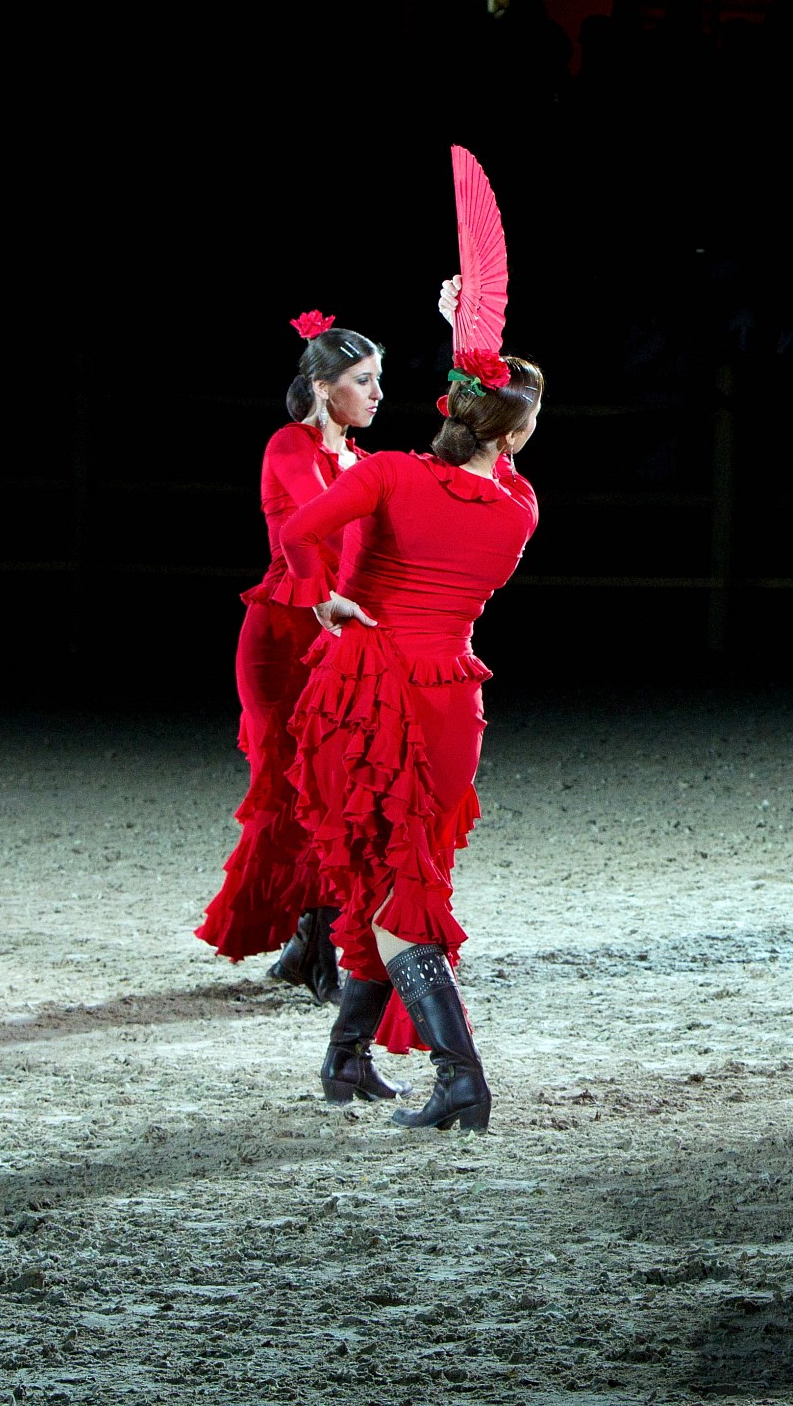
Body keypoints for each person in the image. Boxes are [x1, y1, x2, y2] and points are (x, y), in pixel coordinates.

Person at [274, 278, 541, 1131]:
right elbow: (499, 441)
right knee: (394, 873)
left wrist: (323, 597)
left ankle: (461, 1078)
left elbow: (297, 531)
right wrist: (473, 349)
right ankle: (346, 1058)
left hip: (370, 689)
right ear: (517, 432)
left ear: (451, 407)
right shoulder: (521, 509)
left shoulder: (388, 474)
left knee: (389, 887)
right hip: (451, 701)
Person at [194, 314, 384, 1002]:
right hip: (284, 636)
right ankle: (319, 945)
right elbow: (307, 529)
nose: (377, 393)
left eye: (378, 380)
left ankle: (316, 944)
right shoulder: (290, 445)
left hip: (340, 641)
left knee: (337, 788)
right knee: (292, 789)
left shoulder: (362, 462)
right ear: (323, 386)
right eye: (363, 381)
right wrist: (326, 601)